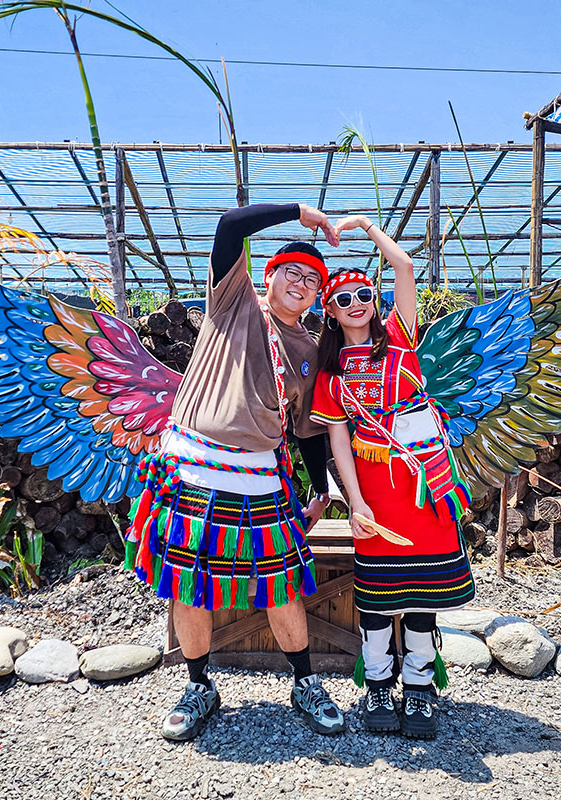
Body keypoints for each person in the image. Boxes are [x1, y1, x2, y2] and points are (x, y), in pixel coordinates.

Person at [125, 202, 345, 741]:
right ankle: (199, 686)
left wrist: (320, 490)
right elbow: (228, 225)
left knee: (282, 588)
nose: (302, 281)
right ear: (267, 277)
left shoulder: (310, 353)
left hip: (261, 480)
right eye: (291, 271)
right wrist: (301, 213)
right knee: (188, 589)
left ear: (317, 297)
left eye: (313, 279)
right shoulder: (232, 302)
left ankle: (304, 683)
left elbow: (307, 430)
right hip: (193, 473)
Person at [309, 215, 475, 739]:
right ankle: (377, 685)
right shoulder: (331, 377)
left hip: (426, 489)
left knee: (424, 598)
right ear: (329, 313)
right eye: (343, 299)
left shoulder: (402, 340)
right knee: (379, 598)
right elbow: (339, 443)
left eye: (363, 293)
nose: (355, 303)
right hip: (376, 496)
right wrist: (355, 503)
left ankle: (420, 688)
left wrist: (364, 227)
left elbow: (403, 264)